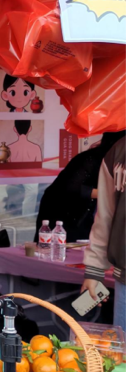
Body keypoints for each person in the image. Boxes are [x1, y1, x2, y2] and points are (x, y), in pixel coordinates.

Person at [35, 131, 126, 243]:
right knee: (65, 248)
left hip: (85, 214)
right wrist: (112, 193)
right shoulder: (91, 159)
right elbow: (73, 188)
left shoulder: (119, 162)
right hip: (63, 211)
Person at [82, 135, 126, 331]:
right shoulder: (119, 152)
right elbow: (105, 215)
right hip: (125, 278)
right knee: (122, 347)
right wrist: (94, 269)